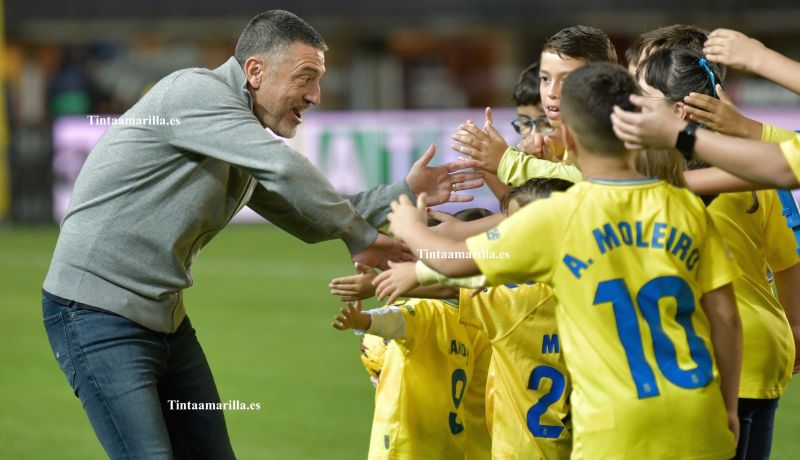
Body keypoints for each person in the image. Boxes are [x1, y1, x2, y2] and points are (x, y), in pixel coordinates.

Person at [40, 10, 485, 459]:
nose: (315, 95)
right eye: (305, 78)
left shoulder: (238, 131)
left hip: (164, 321)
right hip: (94, 315)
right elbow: (286, 168)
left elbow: (304, 218)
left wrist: (403, 192)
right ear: (254, 71)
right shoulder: (195, 92)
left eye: (318, 80)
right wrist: (362, 238)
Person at [377, 63, 743, 459]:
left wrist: (411, 226)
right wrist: (728, 407)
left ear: (567, 134)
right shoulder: (685, 206)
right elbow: (725, 317)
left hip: (616, 432)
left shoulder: (557, 218)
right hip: (699, 419)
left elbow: (448, 261)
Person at [636, 47, 800, 459]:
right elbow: (788, 259)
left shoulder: (643, 182)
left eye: (640, 94)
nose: (629, 105)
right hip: (757, 355)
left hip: (707, 359)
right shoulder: (757, 174)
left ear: (679, 111)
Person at [451, 25, 617, 185]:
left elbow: (593, 181)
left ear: (601, 83)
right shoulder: (569, 144)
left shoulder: (619, 132)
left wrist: (507, 163)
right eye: (545, 79)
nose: (551, 92)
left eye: (566, 81)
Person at [332, 297, 493, 459]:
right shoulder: (468, 326)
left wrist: (363, 321)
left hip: (404, 445)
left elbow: (396, 319)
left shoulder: (426, 310)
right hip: (447, 446)